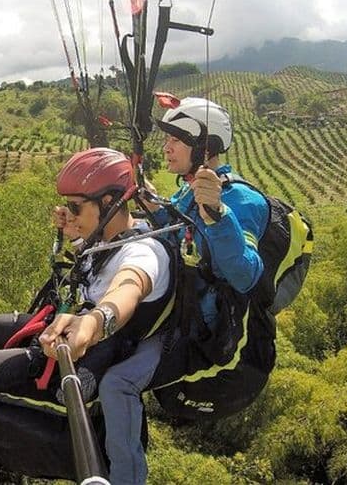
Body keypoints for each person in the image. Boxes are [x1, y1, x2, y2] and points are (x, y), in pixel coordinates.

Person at [0, 147, 174, 485]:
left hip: (77, 350)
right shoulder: (108, 235)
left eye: (76, 206)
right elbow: (87, 270)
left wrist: (92, 322)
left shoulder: (142, 252)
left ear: (108, 202)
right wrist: (74, 229)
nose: (68, 213)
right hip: (61, 324)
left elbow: (127, 289)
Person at [83, 97, 273, 485]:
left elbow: (246, 274)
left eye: (176, 140)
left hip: (199, 331)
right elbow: (175, 223)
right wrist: (145, 196)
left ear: (204, 147)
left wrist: (219, 216)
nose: (166, 147)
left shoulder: (241, 200)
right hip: (173, 309)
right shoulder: (189, 192)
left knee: (118, 383)